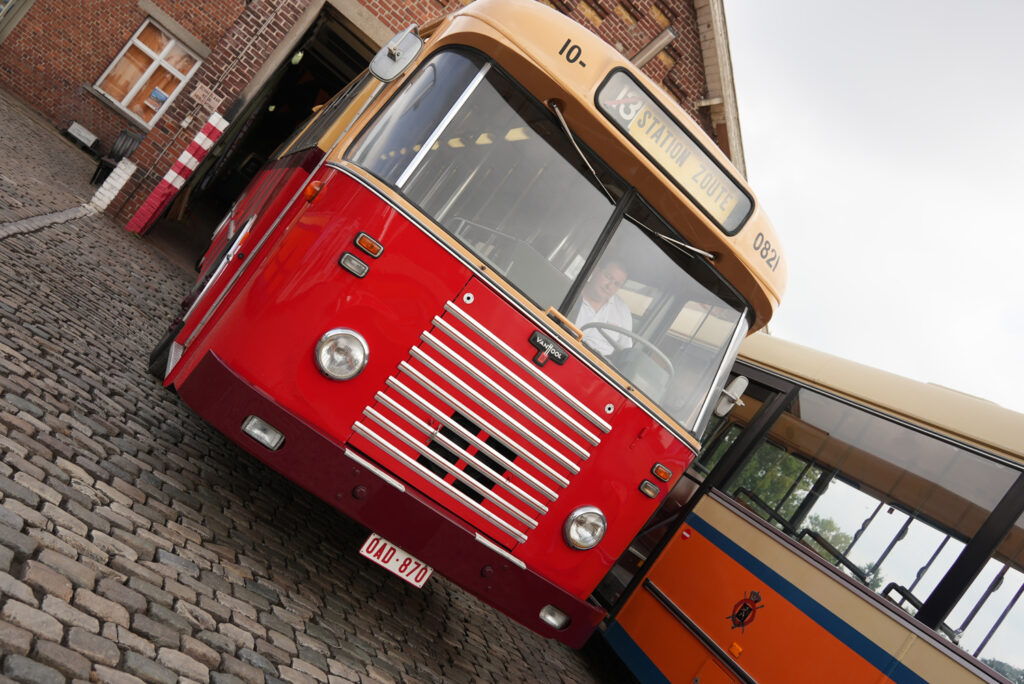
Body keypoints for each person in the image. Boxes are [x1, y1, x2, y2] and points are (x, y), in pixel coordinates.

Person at [575, 258, 633, 357]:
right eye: (608, 277)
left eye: (616, 284)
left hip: (596, 367)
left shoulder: (623, 311)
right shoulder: (570, 289)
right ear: (595, 271)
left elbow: (625, 352)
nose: (610, 286)